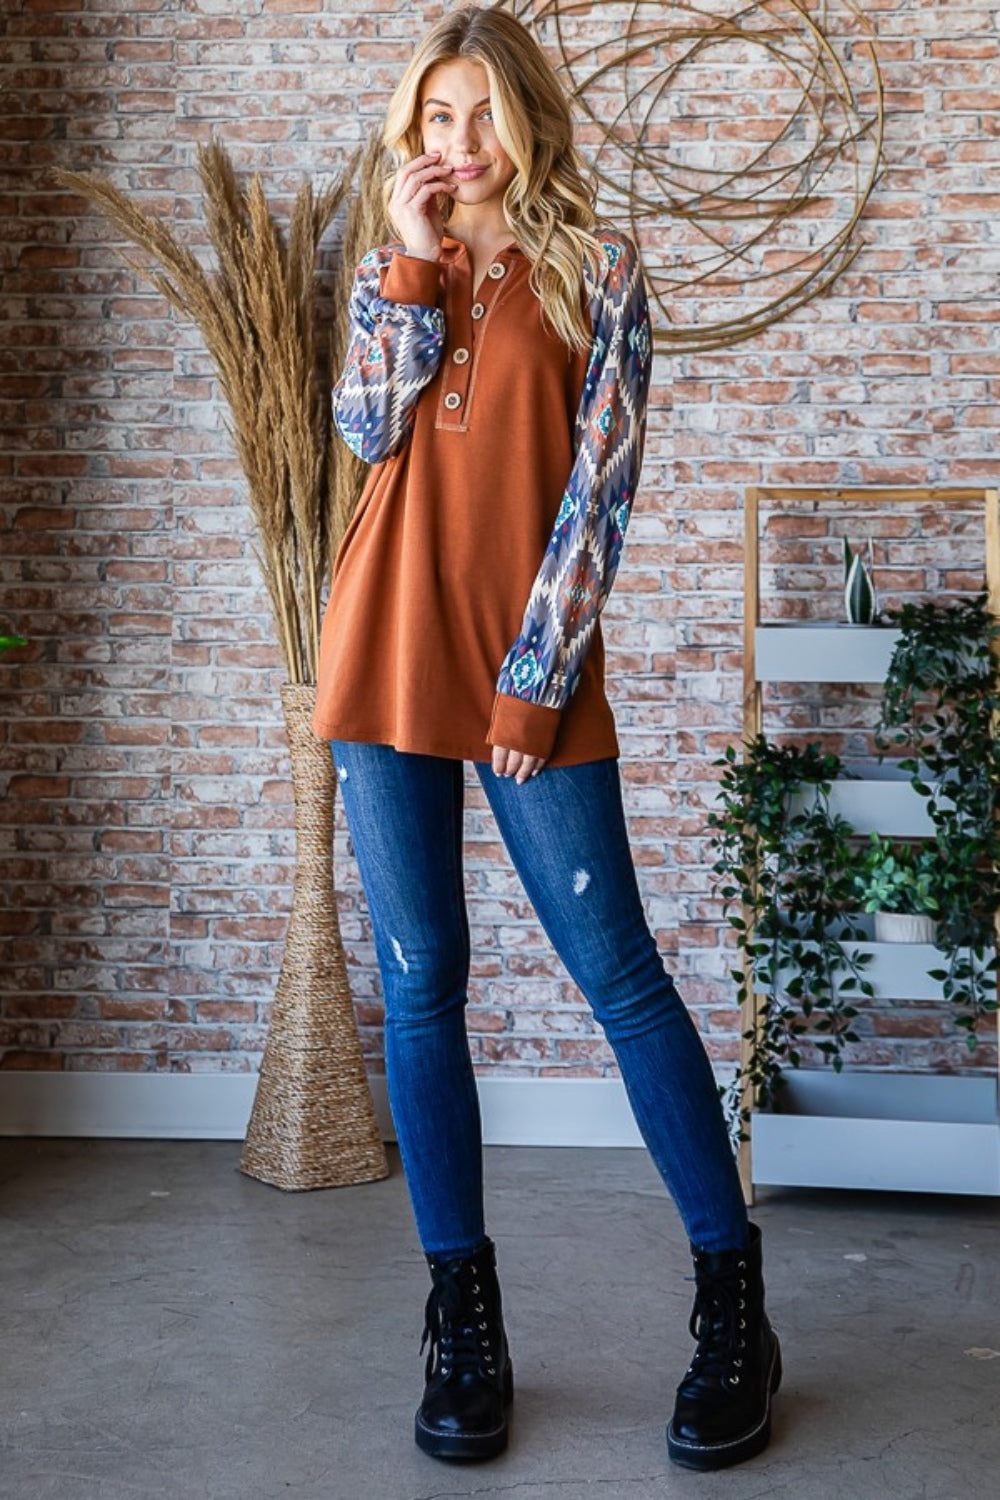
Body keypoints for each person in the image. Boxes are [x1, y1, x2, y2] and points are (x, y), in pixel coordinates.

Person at [313, 1, 781, 1473]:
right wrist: (402, 261)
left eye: (479, 116)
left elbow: (601, 502)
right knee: (422, 985)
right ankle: (461, 1311)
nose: (457, 145)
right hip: (380, 660)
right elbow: (363, 432)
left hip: (530, 675)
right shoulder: (395, 266)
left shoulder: (604, 272)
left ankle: (732, 1304)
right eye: (434, 120)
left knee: (622, 980)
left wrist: (536, 677)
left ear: (527, 119)